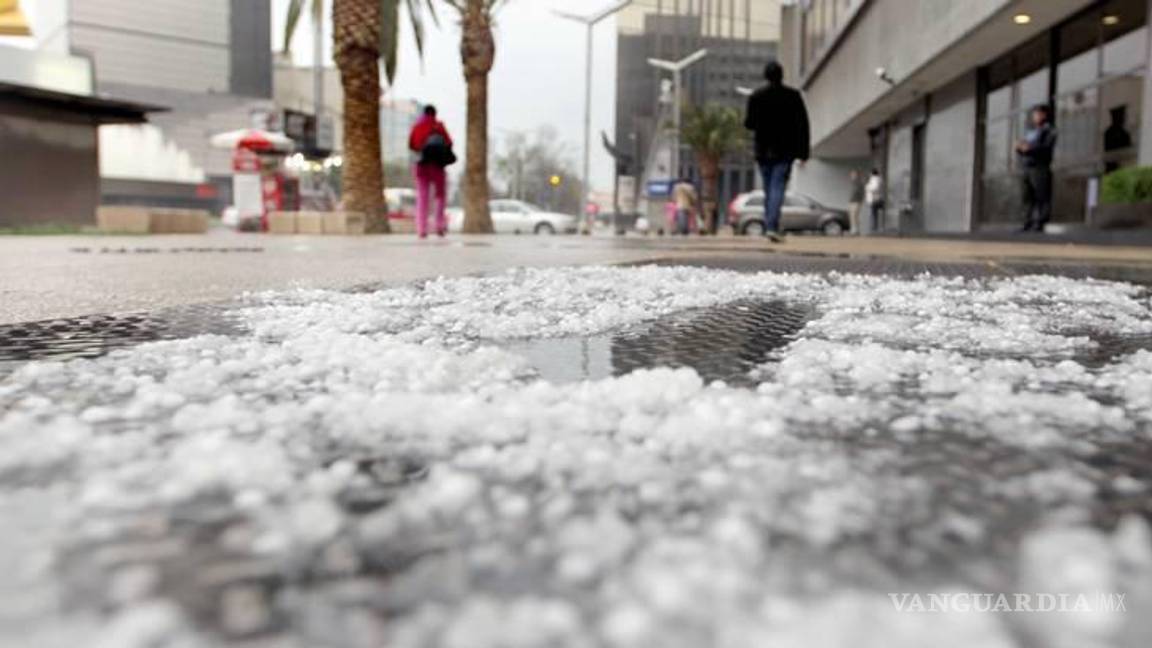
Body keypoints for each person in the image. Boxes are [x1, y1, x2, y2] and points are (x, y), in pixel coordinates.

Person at [745, 59, 810, 243]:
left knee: (769, 188)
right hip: (785, 150)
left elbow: (749, 123)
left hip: (763, 150)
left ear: (765, 75)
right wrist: (803, 152)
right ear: (782, 75)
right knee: (777, 187)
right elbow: (802, 125)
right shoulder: (793, 96)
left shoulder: (756, 96)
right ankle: (772, 226)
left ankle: (770, 225)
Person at [408, 105, 456, 238]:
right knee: (440, 196)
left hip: (421, 166)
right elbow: (449, 143)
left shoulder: (417, 126)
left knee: (422, 197)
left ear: (424, 113)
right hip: (438, 166)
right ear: (435, 114)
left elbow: (411, 145)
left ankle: (422, 229)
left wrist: (422, 148)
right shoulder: (439, 126)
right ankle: (439, 226)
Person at [1015, 104, 1057, 233]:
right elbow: (1023, 147)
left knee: (1041, 196)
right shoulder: (1031, 131)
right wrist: (1020, 148)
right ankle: (1027, 221)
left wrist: (1029, 149)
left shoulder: (1049, 130)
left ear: (1044, 115)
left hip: (1040, 167)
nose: (1035, 116)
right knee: (1026, 196)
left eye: (1037, 114)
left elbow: (1046, 148)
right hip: (1027, 167)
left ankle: (1040, 222)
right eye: (1034, 114)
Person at [865, 169, 884, 233]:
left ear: (872, 173)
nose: (869, 174)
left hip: (874, 200)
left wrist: (867, 187)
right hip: (877, 199)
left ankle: (874, 229)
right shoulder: (879, 179)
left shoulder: (874, 179)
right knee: (875, 215)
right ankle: (876, 228)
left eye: (870, 173)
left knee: (873, 215)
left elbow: (875, 188)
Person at [847, 169, 865, 235]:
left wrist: (861, 200)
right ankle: (853, 230)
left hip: (857, 201)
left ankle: (856, 230)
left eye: (854, 175)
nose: (852, 176)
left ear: (857, 175)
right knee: (851, 216)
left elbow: (862, 193)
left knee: (855, 216)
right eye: (852, 175)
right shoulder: (853, 183)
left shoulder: (860, 183)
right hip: (851, 201)